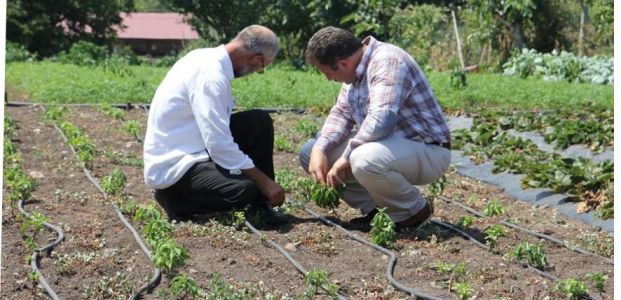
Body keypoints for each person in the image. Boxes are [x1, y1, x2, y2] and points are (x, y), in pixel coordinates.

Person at [299, 27, 451, 230]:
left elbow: (382, 119)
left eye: (328, 73)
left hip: (428, 150)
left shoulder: (387, 61)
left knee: (362, 158)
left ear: (342, 63)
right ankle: (377, 210)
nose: (329, 79)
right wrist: (320, 149)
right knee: (310, 152)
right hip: (391, 147)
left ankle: (412, 211)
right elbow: (342, 114)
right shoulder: (354, 72)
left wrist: (345, 157)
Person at [143, 25, 287, 225]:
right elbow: (218, 144)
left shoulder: (204, 57)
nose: (257, 71)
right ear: (257, 59)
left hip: (194, 145)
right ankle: (174, 200)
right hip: (176, 167)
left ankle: (261, 206)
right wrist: (264, 183)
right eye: (262, 68)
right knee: (244, 189)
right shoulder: (210, 76)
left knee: (258, 122)